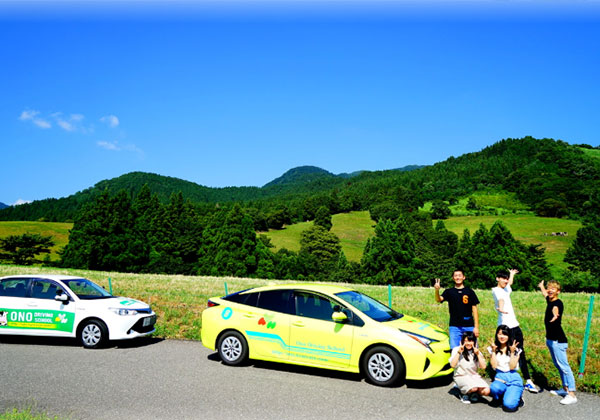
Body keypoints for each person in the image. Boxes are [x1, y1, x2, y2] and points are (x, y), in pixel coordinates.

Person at [492, 269, 539, 393]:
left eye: (506, 279)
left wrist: (511, 274)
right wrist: (501, 309)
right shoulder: (496, 290)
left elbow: (510, 284)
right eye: (503, 278)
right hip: (506, 328)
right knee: (504, 351)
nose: (505, 281)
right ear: (497, 279)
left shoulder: (506, 288)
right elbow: (501, 300)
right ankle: (501, 377)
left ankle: (528, 380)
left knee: (520, 352)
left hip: (515, 325)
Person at [538, 280, 577, 405]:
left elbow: (556, 310)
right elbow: (545, 294)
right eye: (549, 288)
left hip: (558, 341)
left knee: (564, 367)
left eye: (553, 289)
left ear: (558, 291)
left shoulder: (558, 303)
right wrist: (541, 287)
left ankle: (571, 394)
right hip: (550, 339)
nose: (550, 290)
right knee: (558, 365)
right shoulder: (549, 300)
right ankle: (564, 389)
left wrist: (555, 316)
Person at [434, 269, 480, 348]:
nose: (458, 277)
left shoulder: (470, 291)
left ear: (464, 277)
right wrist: (437, 290)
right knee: (454, 349)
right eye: (455, 276)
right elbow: (439, 299)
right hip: (454, 326)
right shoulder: (449, 291)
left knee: (472, 349)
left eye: (459, 275)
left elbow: (474, 309)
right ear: (453, 278)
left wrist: (476, 327)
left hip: (469, 325)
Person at [488, 324, 524, 412]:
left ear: (509, 336)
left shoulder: (515, 349)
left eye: (505, 334)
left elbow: (512, 367)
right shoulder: (493, 348)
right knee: (494, 388)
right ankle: (500, 397)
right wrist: (493, 351)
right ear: (496, 335)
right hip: (500, 377)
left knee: (509, 406)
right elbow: (494, 366)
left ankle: (517, 396)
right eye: (499, 334)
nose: (502, 337)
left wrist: (512, 352)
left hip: (513, 378)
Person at [449, 331, 490, 404]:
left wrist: (478, 355)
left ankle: (471, 392)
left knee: (486, 391)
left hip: (473, 376)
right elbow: (452, 365)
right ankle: (463, 393)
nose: (468, 343)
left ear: (474, 342)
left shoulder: (476, 351)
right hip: (461, 376)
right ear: (462, 341)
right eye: (466, 341)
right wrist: (459, 353)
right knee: (474, 388)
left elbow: (483, 367)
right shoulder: (456, 349)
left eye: (471, 341)